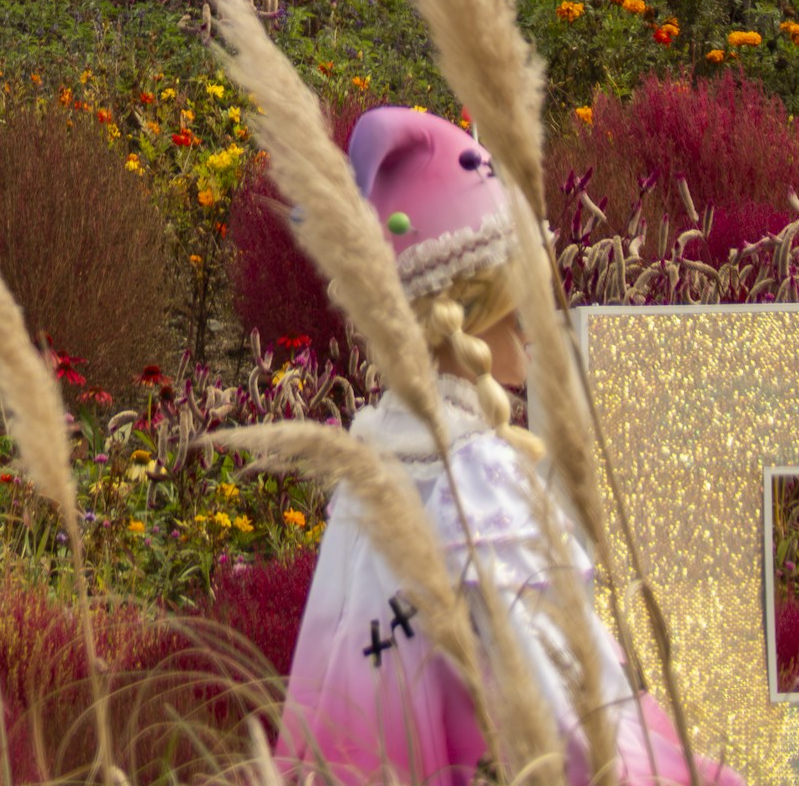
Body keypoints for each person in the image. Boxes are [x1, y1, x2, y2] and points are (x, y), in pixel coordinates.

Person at [279, 106, 737, 786]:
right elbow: (563, 716)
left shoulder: (372, 468)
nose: (530, 331)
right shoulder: (480, 477)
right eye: (518, 308)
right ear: (467, 319)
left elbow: (329, 677)